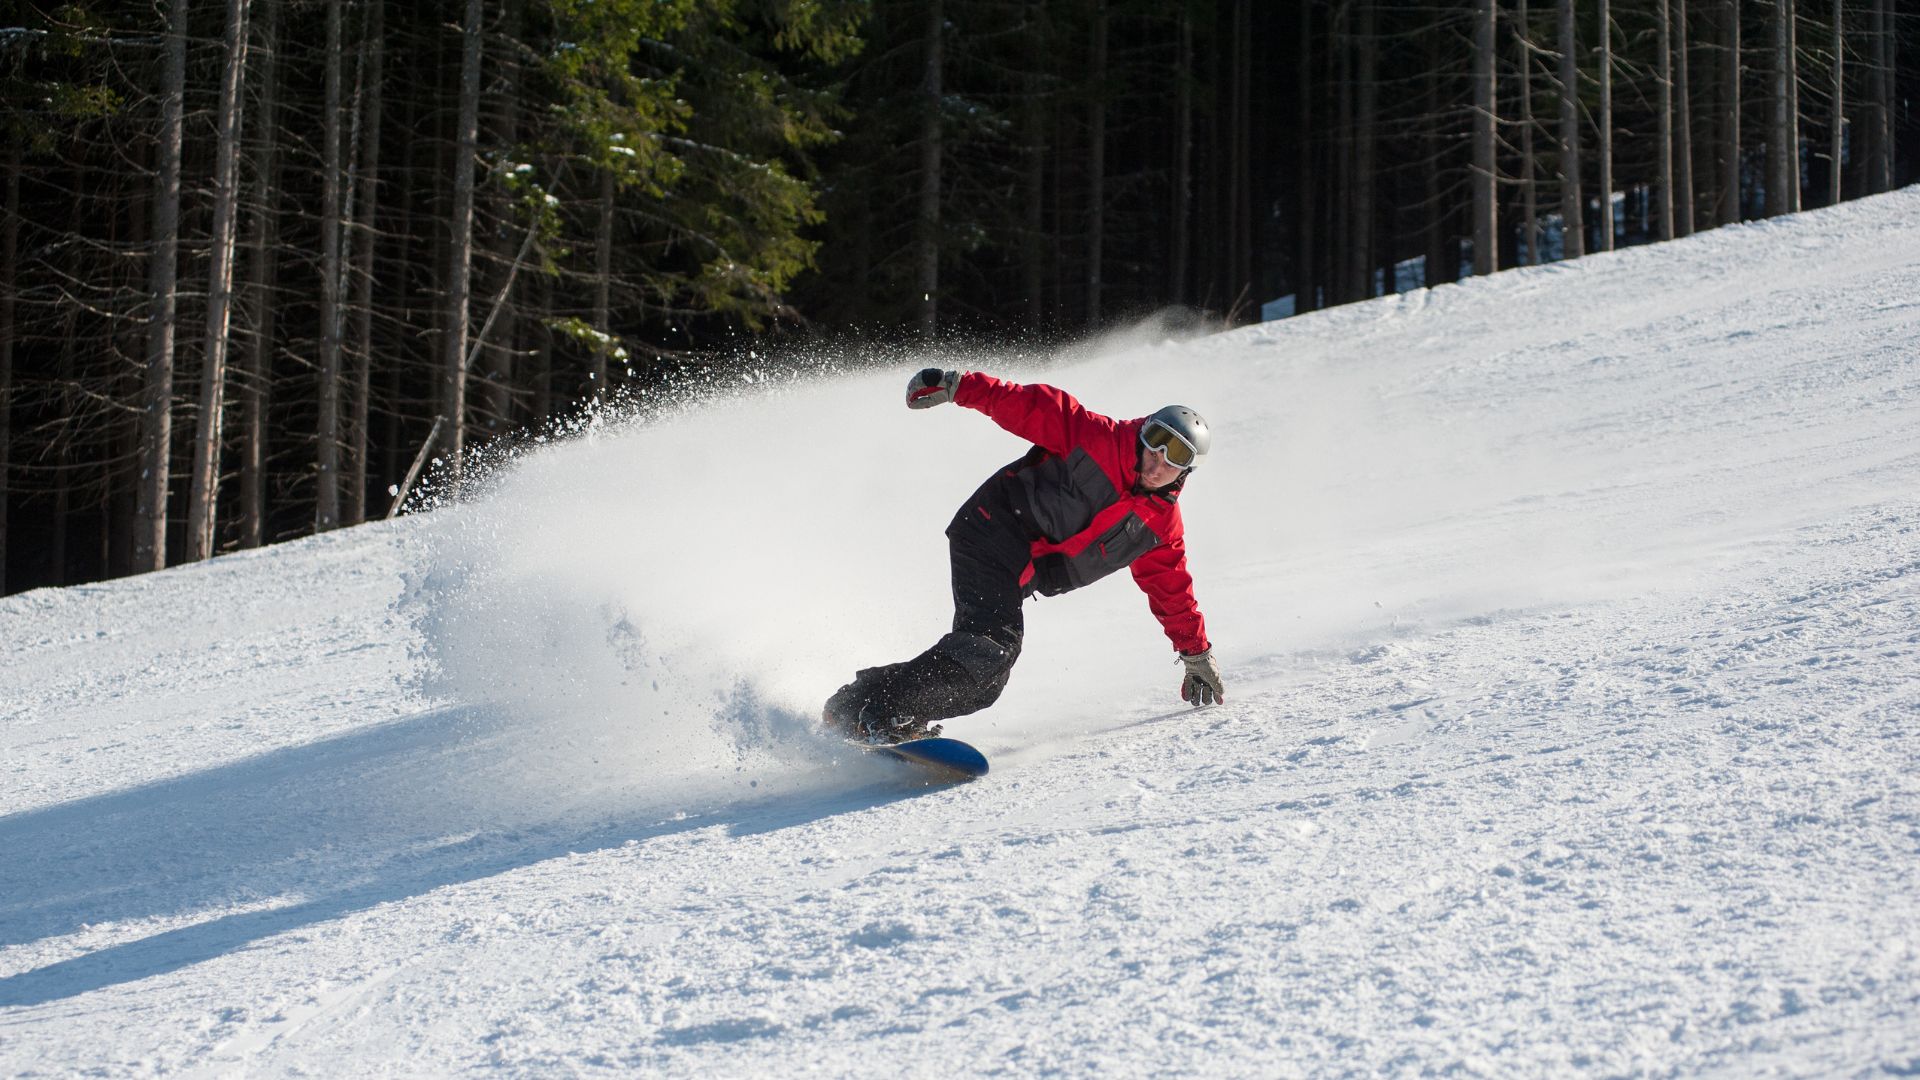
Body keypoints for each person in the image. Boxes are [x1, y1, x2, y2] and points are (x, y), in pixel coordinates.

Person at [824, 368, 1224, 743]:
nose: (1157, 464)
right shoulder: (1097, 437)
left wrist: (1195, 653)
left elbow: (1172, 590)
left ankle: (859, 702)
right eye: (1154, 445)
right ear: (1143, 434)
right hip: (992, 530)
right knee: (989, 653)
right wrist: (956, 385)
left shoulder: (1159, 528)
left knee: (987, 674)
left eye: (1175, 459)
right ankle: (885, 713)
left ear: (1187, 472)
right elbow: (1029, 405)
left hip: (1016, 568)